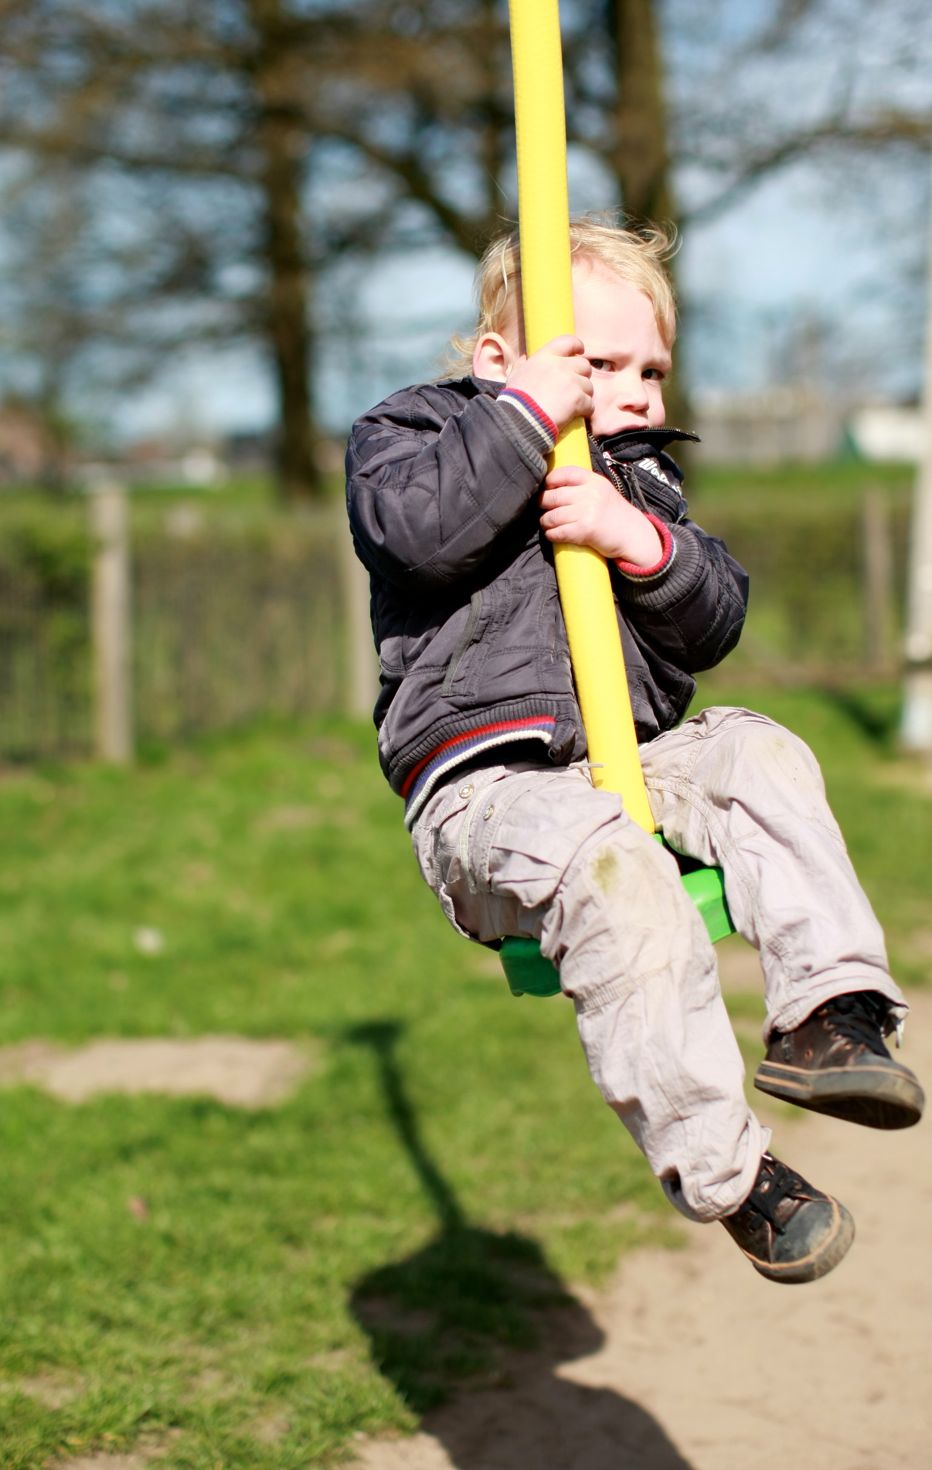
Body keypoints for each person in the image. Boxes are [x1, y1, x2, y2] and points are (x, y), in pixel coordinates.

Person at [345, 216, 924, 1285]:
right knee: (602, 858)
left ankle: (829, 1018)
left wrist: (639, 542)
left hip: (625, 761)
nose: (639, 391)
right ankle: (731, 1177)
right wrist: (523, 425)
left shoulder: (642, 482)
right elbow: (415, 532)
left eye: (650, 367)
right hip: (487, 792)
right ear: (496, 361)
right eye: (600, 362)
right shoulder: (417, 432)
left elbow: (711, 623)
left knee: (758, 752)